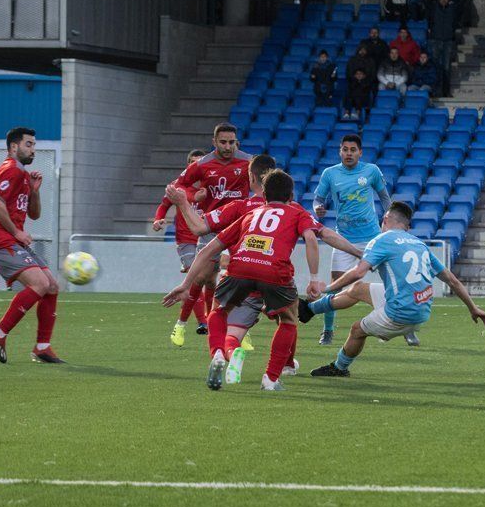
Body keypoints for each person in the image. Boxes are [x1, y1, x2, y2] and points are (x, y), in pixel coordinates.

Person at [168, 155, 365, 383]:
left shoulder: (242, 208)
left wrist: (182, 202)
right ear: (287, 191)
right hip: (275, 275)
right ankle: (282, 369)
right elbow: (323, 234)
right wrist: (358, 254)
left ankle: (227, 354)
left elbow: (200, 229)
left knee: (229, 328)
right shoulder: (295, 209)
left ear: (251, 178)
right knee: (289, 318)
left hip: (241, 276)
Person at [301, 202, 485, 377]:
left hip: (400, 312)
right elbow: (452, 281)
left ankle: (339, 368)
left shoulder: (382, 240)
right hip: (421, 309)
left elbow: (358, 272)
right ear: (407, 226)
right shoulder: (419, 244)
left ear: (384, 220)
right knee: (358, 289)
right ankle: (309, 309)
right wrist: (473, 308)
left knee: (357, 329)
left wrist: (329, 288)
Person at [313, 134, 417, 347]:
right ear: (339, 151)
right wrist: (317, 208)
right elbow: (318, 199)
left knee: (393, 283)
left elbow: (385, 197)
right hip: (344, 240)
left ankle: (406, 330)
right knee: (334, 286)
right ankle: (328, 330)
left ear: (360, 152)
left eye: (353, 150)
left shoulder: (371, 171)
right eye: (345, 149)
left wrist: (390, 222)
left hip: (372, 239)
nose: (348, 153)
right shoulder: (330, 174)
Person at [0, 127, 63, 364]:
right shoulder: (11, 169)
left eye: (34, 145)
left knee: (52, 286)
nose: (33, 149)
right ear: (14, 147)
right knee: (40, 283)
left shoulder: (23, 175)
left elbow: (34, 214)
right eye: (28, 144)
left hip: (13, 241)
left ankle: (42, 347)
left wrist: (34, 192)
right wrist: (16, 231)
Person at [174, 123, 254, 341]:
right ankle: (181, 324)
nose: (228, 147)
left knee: (239, 278)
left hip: (240, 227)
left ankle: (239, 332)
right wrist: (192, 198)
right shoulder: (202, 165)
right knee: (202, 278)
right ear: (214, 142)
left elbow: (266, 182)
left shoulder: (248, 162)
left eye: (232, 142)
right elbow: (179, 186)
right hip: (211, 227)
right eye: (223, 142)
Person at [153, 149, 209, 344]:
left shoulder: (211, 186)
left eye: (200, 163)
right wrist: (159, 219)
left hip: (208, 238)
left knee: (209, 280)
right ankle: (201, 322)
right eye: (192, 163)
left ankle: (205, 320)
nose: (196, 166)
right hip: (186, 240)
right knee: (196, 280)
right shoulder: (178, 187)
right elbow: (164, 205)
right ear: (188, 166)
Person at [429, 0, 459, 98]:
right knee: (436, 67)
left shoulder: (452, 9)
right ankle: (436, 91)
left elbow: (459, 9)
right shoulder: (434, 8)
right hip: (436, 40)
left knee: (446, 67)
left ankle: (445, 91)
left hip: (448, 41)